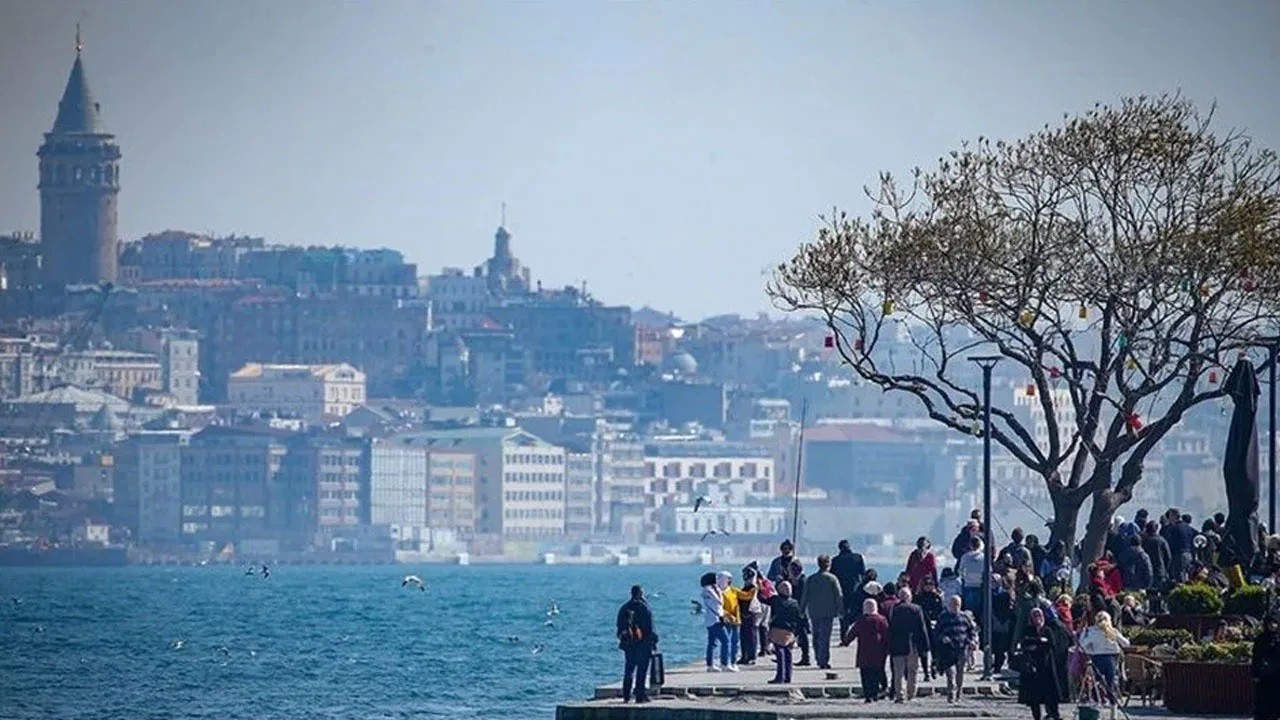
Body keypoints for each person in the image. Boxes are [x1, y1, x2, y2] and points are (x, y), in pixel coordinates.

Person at [1018, 608, 1067, 720]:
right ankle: (1037, 717)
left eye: (1039, 616)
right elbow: (1025, 642)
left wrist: (1038, 643)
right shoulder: (1028, 629)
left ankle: (1054, 714)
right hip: (1033, 666)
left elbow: (1052, 644)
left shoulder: (1047, 630)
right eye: (1035, 616)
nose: (1037, 618)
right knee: (1034, 695)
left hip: (1047, 665)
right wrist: (1039, 641)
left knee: (1050, 692)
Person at [887, 586, 930, 703]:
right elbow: (922, 629)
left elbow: (890, 628)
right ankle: (911, 694)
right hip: (912, 644)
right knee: (912, 671)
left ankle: (899, 695)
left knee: (898, 672)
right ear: (909, 597)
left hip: (897, 644)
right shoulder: (916, 609)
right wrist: (925, 647)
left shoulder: (893, 609)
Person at [616, 585, 657, 704]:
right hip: (643, 643)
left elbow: (619, 626)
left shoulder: (624, 607)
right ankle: (640, 695)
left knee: (629, 669)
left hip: (629, 644)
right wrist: (653, 642)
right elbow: (650, 628)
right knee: (642, 670)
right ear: (640, 594)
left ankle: (626, 695)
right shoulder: (644, 608)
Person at [802, 554, 843, 670]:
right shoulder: (832, 579)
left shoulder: (811, 579)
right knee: (825, 637)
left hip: (814, 611)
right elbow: (838, 596)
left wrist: (801, 610)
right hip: (828, 612)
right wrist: (840, 610)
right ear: (828, 565)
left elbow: (805, 596)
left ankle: (818, 657)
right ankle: (823, 659)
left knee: (816, 635)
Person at [1079, 611, 1130, 705]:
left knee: (1096, 680)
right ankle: (1112, 702)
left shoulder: (1092, 632)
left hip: (1097, 658)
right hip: (1112, 659)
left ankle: (1097, 698)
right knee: (1110, 681)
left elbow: (1083, 646)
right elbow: (1126, 644)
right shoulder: (1113, 631)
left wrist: (1090, 649)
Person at [844, 598, 890, 702]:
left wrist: (846, 641)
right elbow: (887, 634)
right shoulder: (882, 620)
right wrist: (888, 648)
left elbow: (852, 633)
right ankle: (875, 694)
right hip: (879, 652)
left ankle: (868, 695)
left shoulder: (861, 620)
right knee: (876, 673)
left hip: (864, 652)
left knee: (865, 674)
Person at [934, 594, 977, 703]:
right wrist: (943, 638)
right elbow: (937, 632)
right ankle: (951, 693)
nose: (955, 606)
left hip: (962, 648)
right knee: (950, 672)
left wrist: (972, 641)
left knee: (960, 672)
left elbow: (972, 632)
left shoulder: (965, 617)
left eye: (957, 604)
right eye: (953, 604)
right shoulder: (943, 617)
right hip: (948, 650)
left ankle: (959, 692)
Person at [767, 580, 804, 685]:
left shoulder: (776, 600)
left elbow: (762, 598)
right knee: (788, 653)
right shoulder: (795, 603)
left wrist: (764, 585)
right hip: (790, 631)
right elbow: (799, 618)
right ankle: (788, 676)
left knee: (780, 653)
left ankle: (780, 677)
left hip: (778, 629)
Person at [832, 539, 866, 639]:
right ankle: (855, 631)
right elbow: (863, 573)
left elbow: (833, 576)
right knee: (855, 612)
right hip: (855, 589)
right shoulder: (858, 557)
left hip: (841, 590)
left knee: (843, 614)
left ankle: (844, 635)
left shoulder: (836, 560)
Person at [700, 572, 731, 672]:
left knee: (712, 643)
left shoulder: (710, 590)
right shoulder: (708, 590)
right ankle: (724, 663)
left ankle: (710, 665)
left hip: (713, 619)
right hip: (715, 619)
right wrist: (718, 590)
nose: (717, 580)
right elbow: (719, 601)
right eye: (716, 578)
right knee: (725, 641)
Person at [1251, 614, 1280, 720]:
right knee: (1263, 701)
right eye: (1270, 623)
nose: (1273, 626)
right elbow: (1256, 657)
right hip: (1264, 676)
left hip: (1277, 676)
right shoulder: (1260, 639)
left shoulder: (1278, 638)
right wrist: (1255, 673)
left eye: (1275, 623)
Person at [786, 559, 813, 666]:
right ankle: (787, 654)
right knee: (797, 633)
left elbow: (802, 596)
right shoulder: (795, 580)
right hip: (796, 610)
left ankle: (805, 657)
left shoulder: (802, 580)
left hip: (801, 611)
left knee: (801, 633)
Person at [715, 571, 741, 672]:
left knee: (735, 642)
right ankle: (724, 662)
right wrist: (728, 615)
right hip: (726, 621)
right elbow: (719, 608)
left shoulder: (733, 590)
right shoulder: (718, 593)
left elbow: (744, 596)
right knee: (726, 642)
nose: (730, 581)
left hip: (736, 620)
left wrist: (755, 587)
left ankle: (733, 662)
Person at [957, 536, 986, 626]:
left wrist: (965, 579)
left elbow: (960, 570)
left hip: (968, 585)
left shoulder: (965, 557)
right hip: (980, 585)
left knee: (969, 611)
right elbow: (989, 570)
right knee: (979, 611)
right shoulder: (983, 557)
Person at [737, 567, 763, 665]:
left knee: (751, 636)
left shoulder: (754, 587)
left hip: (752, 613)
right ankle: (744, 656)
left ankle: (752, 656)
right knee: (743, 636)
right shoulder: (745, 587)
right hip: (743, 614)